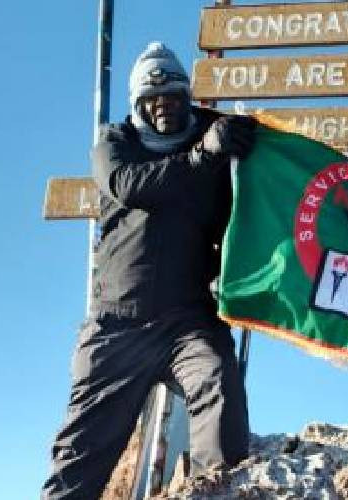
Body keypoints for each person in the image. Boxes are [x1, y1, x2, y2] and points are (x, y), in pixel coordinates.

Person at [41, 42, 256, 500]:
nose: (164, 109)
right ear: (137, 105)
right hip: (117, 323)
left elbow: (253, 201)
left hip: (189, 320)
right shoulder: (114, 142)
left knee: (218, 383)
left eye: (173, 98)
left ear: (185, 96)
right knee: (81, 453)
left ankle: (211, 492)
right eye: (152, 101)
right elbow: (130, 185)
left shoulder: (217, 138)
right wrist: (204, 156)